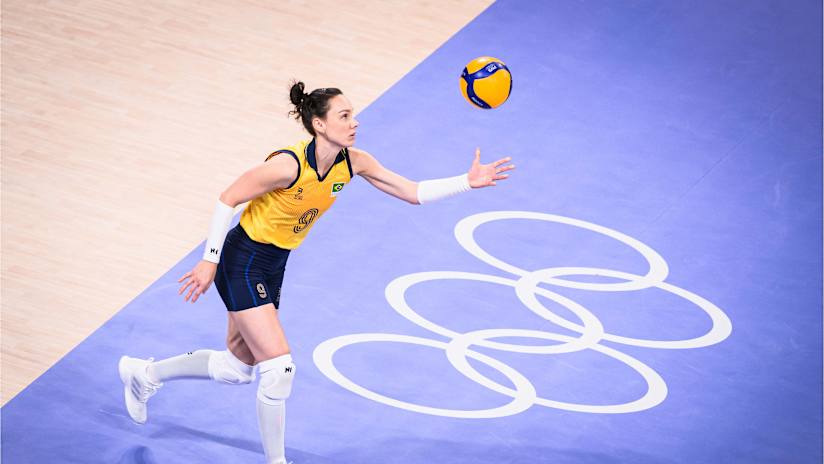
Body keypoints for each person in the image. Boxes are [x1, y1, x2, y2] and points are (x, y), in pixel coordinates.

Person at [118, 81, 515, 463]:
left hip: (274, 264)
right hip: (242, 260)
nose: (354, 122)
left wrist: (467, 182)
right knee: (279, 369)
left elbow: (410, 191)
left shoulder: (354, 163)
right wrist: (209, 260)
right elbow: (228, 199)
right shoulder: (287, 166)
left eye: (353, 114)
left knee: (238, 368)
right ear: (319, 124)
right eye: (344, 116)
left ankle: (143, 373)